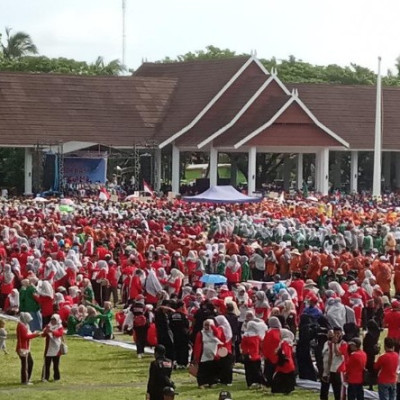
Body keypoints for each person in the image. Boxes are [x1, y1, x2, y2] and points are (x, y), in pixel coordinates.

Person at [320, 327, 348, 400]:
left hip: (340, 369)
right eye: (335, 334)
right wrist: (327, 370)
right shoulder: (330, 343)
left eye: (338, 334)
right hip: (332, 369)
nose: (336, 335)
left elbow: (338, 353)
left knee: (340, 388)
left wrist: (335, 344)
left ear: (341, 333)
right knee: (335, 388)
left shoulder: (343, 343)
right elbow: (330, 356)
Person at [16, 312, 41, 385]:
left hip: (26, 347)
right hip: (22, 348)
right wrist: (35, 335)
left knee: (29, 363)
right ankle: (25, 380)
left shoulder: (25, 325)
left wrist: (34, 333)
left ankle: (27, 379)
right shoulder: (21, 326)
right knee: (25, 365)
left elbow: (28, 334)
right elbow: (25, 337)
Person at [271, 328, 296, 394]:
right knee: (289, 377)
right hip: (289, 363)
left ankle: (278, 390)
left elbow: (284, 352)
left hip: (284, 362)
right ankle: (288, 389)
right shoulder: (290, 342)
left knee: (278, 377)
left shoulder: (284, 342)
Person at [42, 313, 64, 382]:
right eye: (52, 319)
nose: (53, 321)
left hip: (56, 348)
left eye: (54, 320)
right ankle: (45, 377)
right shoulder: (48, 326)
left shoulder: (60, 326)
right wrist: (46, 332)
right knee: (47, 364)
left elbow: (59, 334)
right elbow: (43, 335)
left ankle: (56, 377)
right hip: (49, 347)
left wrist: (53, 332)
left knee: (56, 364)